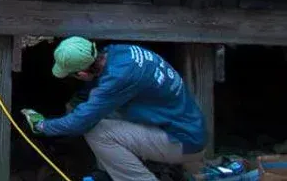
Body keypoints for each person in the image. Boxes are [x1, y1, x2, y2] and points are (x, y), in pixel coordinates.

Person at [22, 36, 207, 181]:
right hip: (186, 128)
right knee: (98, 115)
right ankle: (109, 172)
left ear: (82, 73)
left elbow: (79, 123)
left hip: (182, 142)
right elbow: (94, 95)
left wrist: (42, 126)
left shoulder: (118, 79)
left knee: (97, 131)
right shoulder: (118, 52)